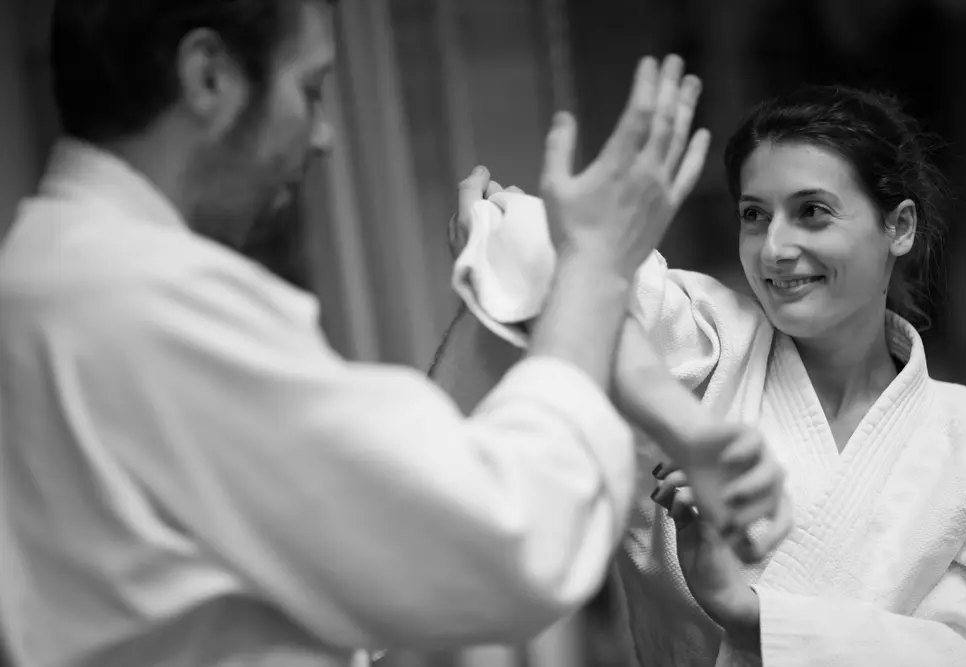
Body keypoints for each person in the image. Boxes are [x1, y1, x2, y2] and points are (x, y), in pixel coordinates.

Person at [0, 2, 790, 666]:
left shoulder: (45, 278)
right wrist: (589, 271)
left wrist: (567, 278)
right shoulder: (149, 302)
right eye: (309, 91)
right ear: (209, 76)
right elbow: (501, 537)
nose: (323, 138)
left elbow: (383, 506)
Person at [435, 78, 966, 665]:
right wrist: (489, 228)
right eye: (755, 215)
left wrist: (749, 615)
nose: (774, 247)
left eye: (811, 212)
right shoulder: (704, 341)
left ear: (899, 227)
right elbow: (548, 242)